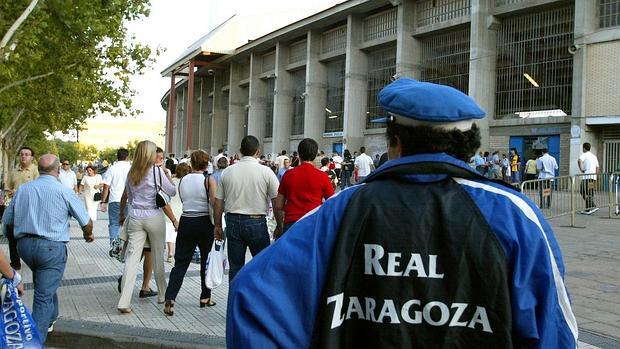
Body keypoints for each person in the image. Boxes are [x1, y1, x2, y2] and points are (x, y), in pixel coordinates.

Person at [226, 78, 578, 348]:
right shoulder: (516, 216)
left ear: (395, 141)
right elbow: (555, 329)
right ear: (470, 148)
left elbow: (251, 295)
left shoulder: (342, 210)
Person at [2, 154, 94, 343]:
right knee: (43, 297)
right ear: (57, 170)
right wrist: (88, 234)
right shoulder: (64, 191)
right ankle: (35, 343)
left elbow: (7, 222)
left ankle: (51, 317)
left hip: (25, 247)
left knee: (45, 282)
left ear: (39, 169)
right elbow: (86, 222)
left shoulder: (23, 190)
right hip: (51, 248)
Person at [117, 140, 176, 313]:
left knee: (131, 259)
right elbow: (171, 192)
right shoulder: (157, 171)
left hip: (135, 216)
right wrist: (167, 176)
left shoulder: (131, 172)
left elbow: (128, 196)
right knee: (158, 257)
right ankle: (162, 294)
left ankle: (124, 301)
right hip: (153, 215)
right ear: (151, 154)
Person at [213, 135, 280, 282]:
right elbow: (276, 201)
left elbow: (218, 202)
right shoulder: (266, 172)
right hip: (257, 222)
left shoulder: (227, 172)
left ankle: (234, 303)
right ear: (258, 151)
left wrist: (217, 225)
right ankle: (259, 302)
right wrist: (279, 225)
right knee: (262, 266)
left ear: (240, 151)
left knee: (235, 268)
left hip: (232, 222)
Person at [163, 150, 217, 316]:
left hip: (186, 220)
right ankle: (205, 296)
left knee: (181, 262)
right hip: (204, 222)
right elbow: (214, 202)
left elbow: (183, 199)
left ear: (191, 163)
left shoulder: (183, 180)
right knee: (206, 260)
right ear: (206, 163)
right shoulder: (208, 180)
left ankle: (170, 298)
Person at [274, 138, 335, 237]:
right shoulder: (322, 176)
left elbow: (279, 205)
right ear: (315, 155)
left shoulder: (288, 174)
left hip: (291, 223)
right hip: (313, 223)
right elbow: (332, 203)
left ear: (298, 154)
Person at [3, 146, 39, 270]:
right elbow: (7, 189)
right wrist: (10, 191)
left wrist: (19, 191)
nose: (23, 156)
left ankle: (34, 261)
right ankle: (15, 262)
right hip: (13, 208)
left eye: (27, 154)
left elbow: (39, 189)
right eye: (22, 154)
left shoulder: (35, 171)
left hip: (29, 209)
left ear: (32, 157)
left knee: (29, 237)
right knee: (10, 235)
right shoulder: (13, 171)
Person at [101, 148, 132, 245]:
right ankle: (126, 246)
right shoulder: (132, 168)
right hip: (129, 200)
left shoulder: (112, 169)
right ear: (127, 156)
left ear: (117, 156)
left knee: (114, 224)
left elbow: (106, 186)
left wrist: (103, 201)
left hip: (114, 199)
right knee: (128, 225)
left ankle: (113, 246)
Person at [165, 163, 189, 263]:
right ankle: (180, 252)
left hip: (170, 209)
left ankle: (170, 252)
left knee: (170, 233)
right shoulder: (187, 182)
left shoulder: (171, 181)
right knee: (180, 234)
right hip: (182, 210)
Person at [577, 142, 600, 215]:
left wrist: (581, 169)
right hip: (593, 177)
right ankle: (591, 206)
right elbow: (597, 167)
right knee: (590, 192)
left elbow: (579, 160)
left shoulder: (584, 155)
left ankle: (589, 208)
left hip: (587, 177)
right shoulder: (594, 156)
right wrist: (596, 176)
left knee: (582, 191)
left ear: (584, 148)